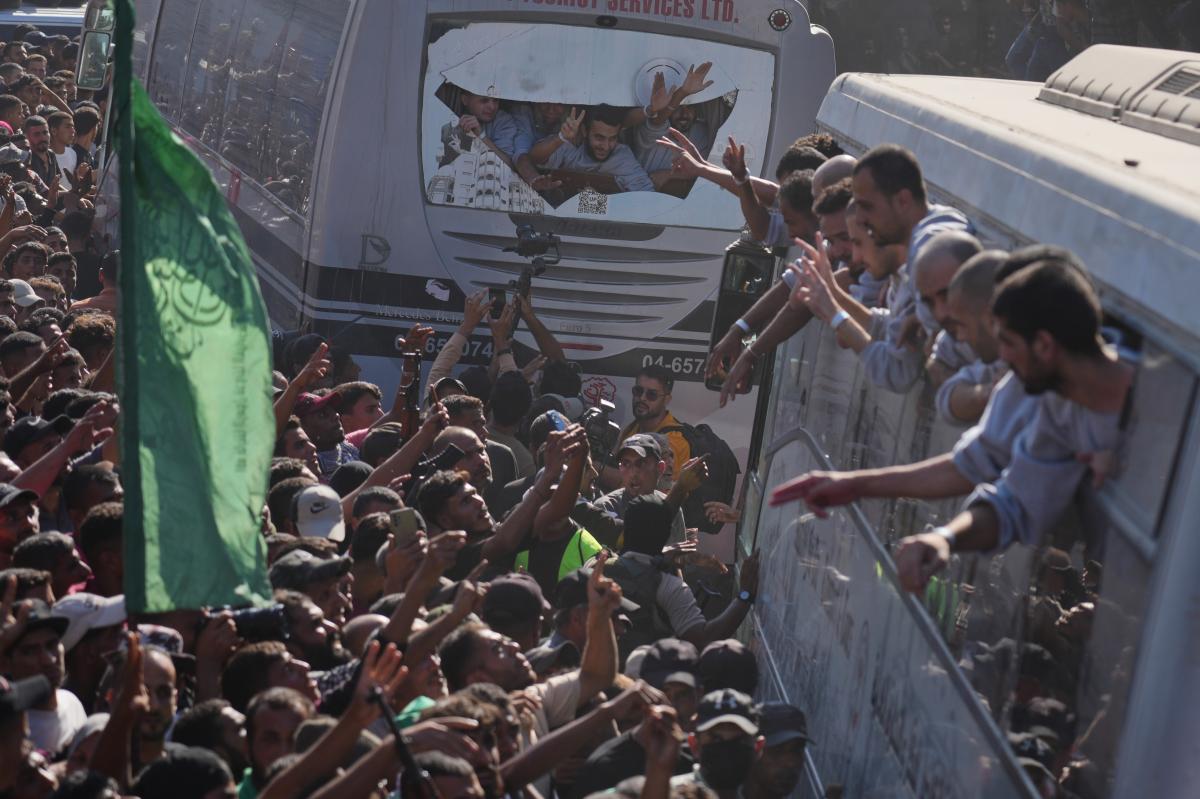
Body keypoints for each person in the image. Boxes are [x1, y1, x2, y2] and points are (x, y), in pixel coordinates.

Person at [893, 257, 1134, 593]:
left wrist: (1131, 473)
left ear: (1045, 345)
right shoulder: (1058, 405)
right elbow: (1013, 502)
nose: (1003, 358)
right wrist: (945, 538)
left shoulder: (1157, 398)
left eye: (1007, 342)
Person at [3, 599, 85, 756]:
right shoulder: (8, 729)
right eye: (30, 651)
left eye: (52, 645)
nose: (49, 660)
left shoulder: (72, 703)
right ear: (6, 663)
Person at [529, 105, 655, 193]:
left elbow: (647, 195)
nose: (606, 146)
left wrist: (598, 202)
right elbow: (534, 158)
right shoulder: (569, 145)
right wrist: (560, 138)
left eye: (612, 138)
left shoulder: (622, 157)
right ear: (584, 131)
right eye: (599, 138)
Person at [595, 434, 686, 544]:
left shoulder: (671, 505)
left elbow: (679, 552)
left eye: (641, 464)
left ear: (660, 468)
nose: (633, 473)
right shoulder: (605, 507)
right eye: (625, 464)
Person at [671, 689, 763, 797]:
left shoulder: (769, 794)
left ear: (758, 747)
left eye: (739, 740)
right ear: (694, 745)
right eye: (716, 739)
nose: (727, 750)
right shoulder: (668, 793)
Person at [616, 366, 691, 478]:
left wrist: (595, 467)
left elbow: (637, 482)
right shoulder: (633, 427)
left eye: (652, 394)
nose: (642, 398)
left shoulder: (674, 440)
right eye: (638, 391)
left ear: (666, 400)